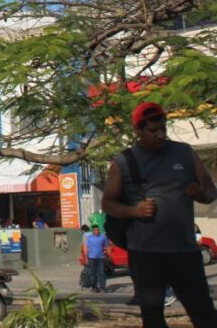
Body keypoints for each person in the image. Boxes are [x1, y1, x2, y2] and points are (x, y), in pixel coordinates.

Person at [102, 101, 217, 328]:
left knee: (204, 313)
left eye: (163, 128)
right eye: (153, 130)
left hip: (184, 251)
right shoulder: (124, 161)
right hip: (146, 254)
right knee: (153, 318)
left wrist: (200, 193)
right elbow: (107, 203)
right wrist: (134, 210)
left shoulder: (185, 152)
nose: (160, 135)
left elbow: (210, 191)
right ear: (138, 131)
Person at [82, 225, 108, 293]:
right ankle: (94, 287)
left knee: (101, 273)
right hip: (91, 258)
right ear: (93, 231)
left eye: (98, 230)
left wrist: (107, 256)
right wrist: (86, 258)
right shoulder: (89, 238)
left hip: (101, 258)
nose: (97, 231)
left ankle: (102, 288)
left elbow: (107, 247)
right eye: (95, 230)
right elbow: (86, 248)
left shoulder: (103, 237)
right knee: (92, 273)